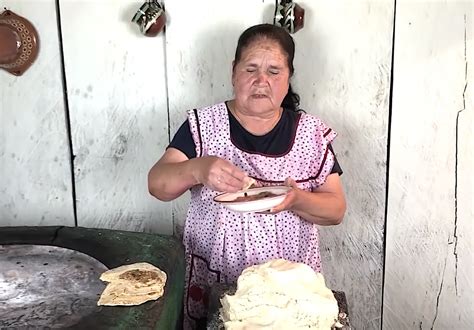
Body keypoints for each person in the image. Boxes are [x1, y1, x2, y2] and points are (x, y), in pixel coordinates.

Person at [148, 23, 346, 329]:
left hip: (287, 288)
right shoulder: (204, 126)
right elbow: (158, 184)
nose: (261, 81)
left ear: (289, 76)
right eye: (250, 68)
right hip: (215, 274)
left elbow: (336, 211)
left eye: (274, 71)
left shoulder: (310, 133)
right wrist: (198, 168)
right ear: (233, 71)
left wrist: (297, 199)